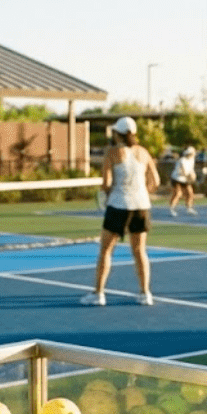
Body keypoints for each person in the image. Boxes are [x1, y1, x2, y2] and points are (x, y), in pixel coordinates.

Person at [81, 116, 159, 306]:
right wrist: (141, 192)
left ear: (118, 134)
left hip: (118, 205)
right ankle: (145, 293)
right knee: (140, 251)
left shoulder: (112, 153)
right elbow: (155, 182)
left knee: (106, 250)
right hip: (141, 206)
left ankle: (98, 293)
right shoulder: (144, 152)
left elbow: (106, 183)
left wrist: (106, 195)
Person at [167, 146, 198, 217]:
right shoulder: (182, 160)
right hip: (177, 178)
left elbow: (191, 169)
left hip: (185, 179)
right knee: (178, 193)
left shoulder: (192, 160)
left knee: (190, 193)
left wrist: (193, 176)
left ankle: (189, 208)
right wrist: (192, 177)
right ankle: (172, 209)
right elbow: (185, 172)